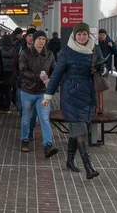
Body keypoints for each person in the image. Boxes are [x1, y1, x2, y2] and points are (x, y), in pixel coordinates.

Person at [42, 23, 101, 180]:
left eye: (84, 34)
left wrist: (101, 70)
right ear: (74, 35)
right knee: (81, 130)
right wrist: (48, 96)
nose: (82, 37)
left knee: (78, 129)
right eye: (79, 34)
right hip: (71, 95)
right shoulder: (66, 52)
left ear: (89, 35)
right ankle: (89, 167)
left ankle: (69, 160)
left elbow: (103, 67)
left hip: (88, 95)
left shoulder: (94, 49)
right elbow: (56, 75)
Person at [18, 30, 57, 156]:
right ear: (34, 40)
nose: (41, 41)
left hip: (43, 93)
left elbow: (55, 70)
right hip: (28, 91)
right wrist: (37, 77)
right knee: (26, 118)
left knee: (44, 119)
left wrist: (50, 79)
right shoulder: (25, 54)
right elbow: (22, 71)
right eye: (39, 38)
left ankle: (48, 145)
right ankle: (25, 139)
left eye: (43, 39)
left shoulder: (50, 54)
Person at [0, 34, 15, 113]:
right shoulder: (13, 50)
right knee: (8, 90)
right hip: (10, 73)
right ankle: (7, 107)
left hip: (1, 73)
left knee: (0, 90)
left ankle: (2, 107)